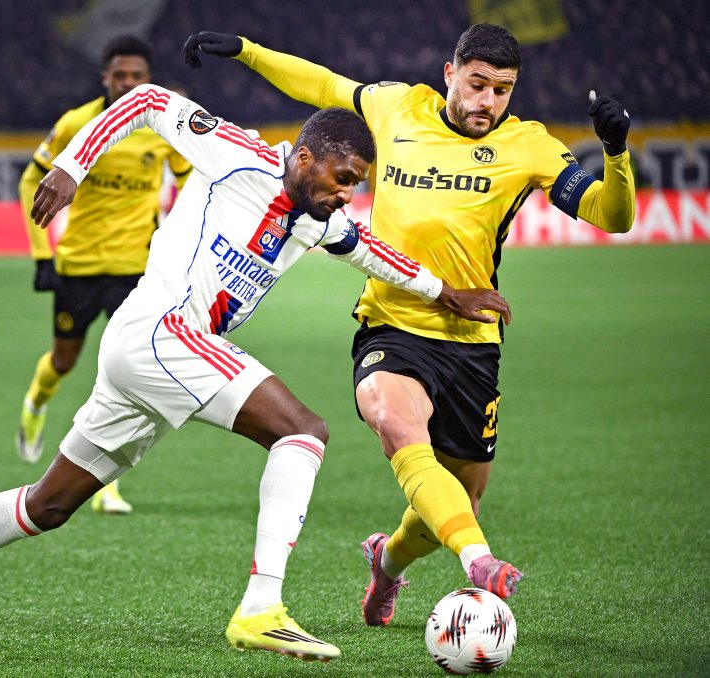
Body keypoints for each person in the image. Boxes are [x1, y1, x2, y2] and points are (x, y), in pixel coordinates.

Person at [0, 84, 512, 661]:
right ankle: (261, 607)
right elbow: (147, 100)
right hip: (162, 332)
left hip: (153, 354)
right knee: (303, 431)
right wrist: (73, 166)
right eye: (342, 178)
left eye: (356, 185)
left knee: (48, 505)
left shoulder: (317, 219)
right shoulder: (237, 154)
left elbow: (370, 252)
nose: (347, 194)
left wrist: (446, 293)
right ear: (305, 157)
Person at [184, 24, 635, 625]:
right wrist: (247, 51)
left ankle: (387, 562)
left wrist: (616, 153)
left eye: (502, 90)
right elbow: (321, 84)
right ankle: (478, 561)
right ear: (450, 74)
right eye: (477, 84)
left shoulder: (530, 146)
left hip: (472, 342)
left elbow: (613, 216)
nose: (487, 101)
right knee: (397, 424)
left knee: (458, 498)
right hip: (391, 324)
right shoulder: (398, 106)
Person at [16, 35, 192, 515]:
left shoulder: (163, 128)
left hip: (135, 270)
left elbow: (191, 180)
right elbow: (31, 177)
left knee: (123, 373)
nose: (128, 83)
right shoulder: (77, 123)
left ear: (149, 79)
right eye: (120, 76)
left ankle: (104, 484)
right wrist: (41, 253)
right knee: (64, 360)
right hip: (78, 265)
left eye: (137, 76)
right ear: (105, 78)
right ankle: (35, 403)